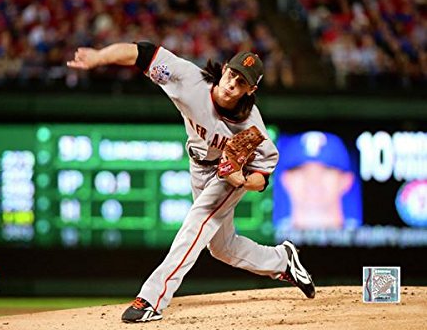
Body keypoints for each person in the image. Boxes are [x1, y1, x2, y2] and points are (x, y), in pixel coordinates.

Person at [67, 42, 315, 323]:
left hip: (228, 175)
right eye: (232, 74)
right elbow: (142, 53)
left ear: (251, 90)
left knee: (196, 223)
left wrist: (243, 180)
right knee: (222, 248)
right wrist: (100, 57)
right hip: (198, 166)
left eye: (242, 82)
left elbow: (262, 178)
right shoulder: (189, 80)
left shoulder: (251, 126)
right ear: (224, 69)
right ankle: (282, 260)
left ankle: (152, 299)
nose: (232, 83)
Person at [274, 131, 361, 230]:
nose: (313, 179)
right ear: (285, 179)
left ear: (346, 180)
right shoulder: (267, 236)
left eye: (326, 170)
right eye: (302, 170)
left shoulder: (367, 235)